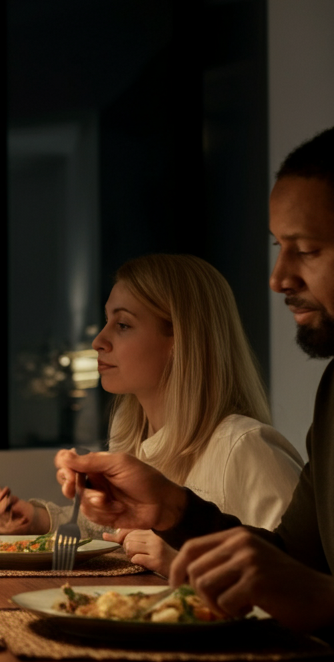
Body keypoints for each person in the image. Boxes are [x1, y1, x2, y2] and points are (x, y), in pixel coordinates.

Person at [56, 127, 334, 632]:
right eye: (278, 247)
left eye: (307, 249)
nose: (277, 279)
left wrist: (314, 594)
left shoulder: (244, 445)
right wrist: (173, 508)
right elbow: (292, 560)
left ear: (181, 339)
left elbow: (304, 583)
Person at [0, 253, 302, 574]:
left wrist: (183, 564)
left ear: (181, 340)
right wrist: (37, 519)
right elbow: (114, 533)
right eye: (106, 321)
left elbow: (299, 578)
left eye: (122, 324)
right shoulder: (133, 435)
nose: (98, 341)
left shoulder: (247, 447)